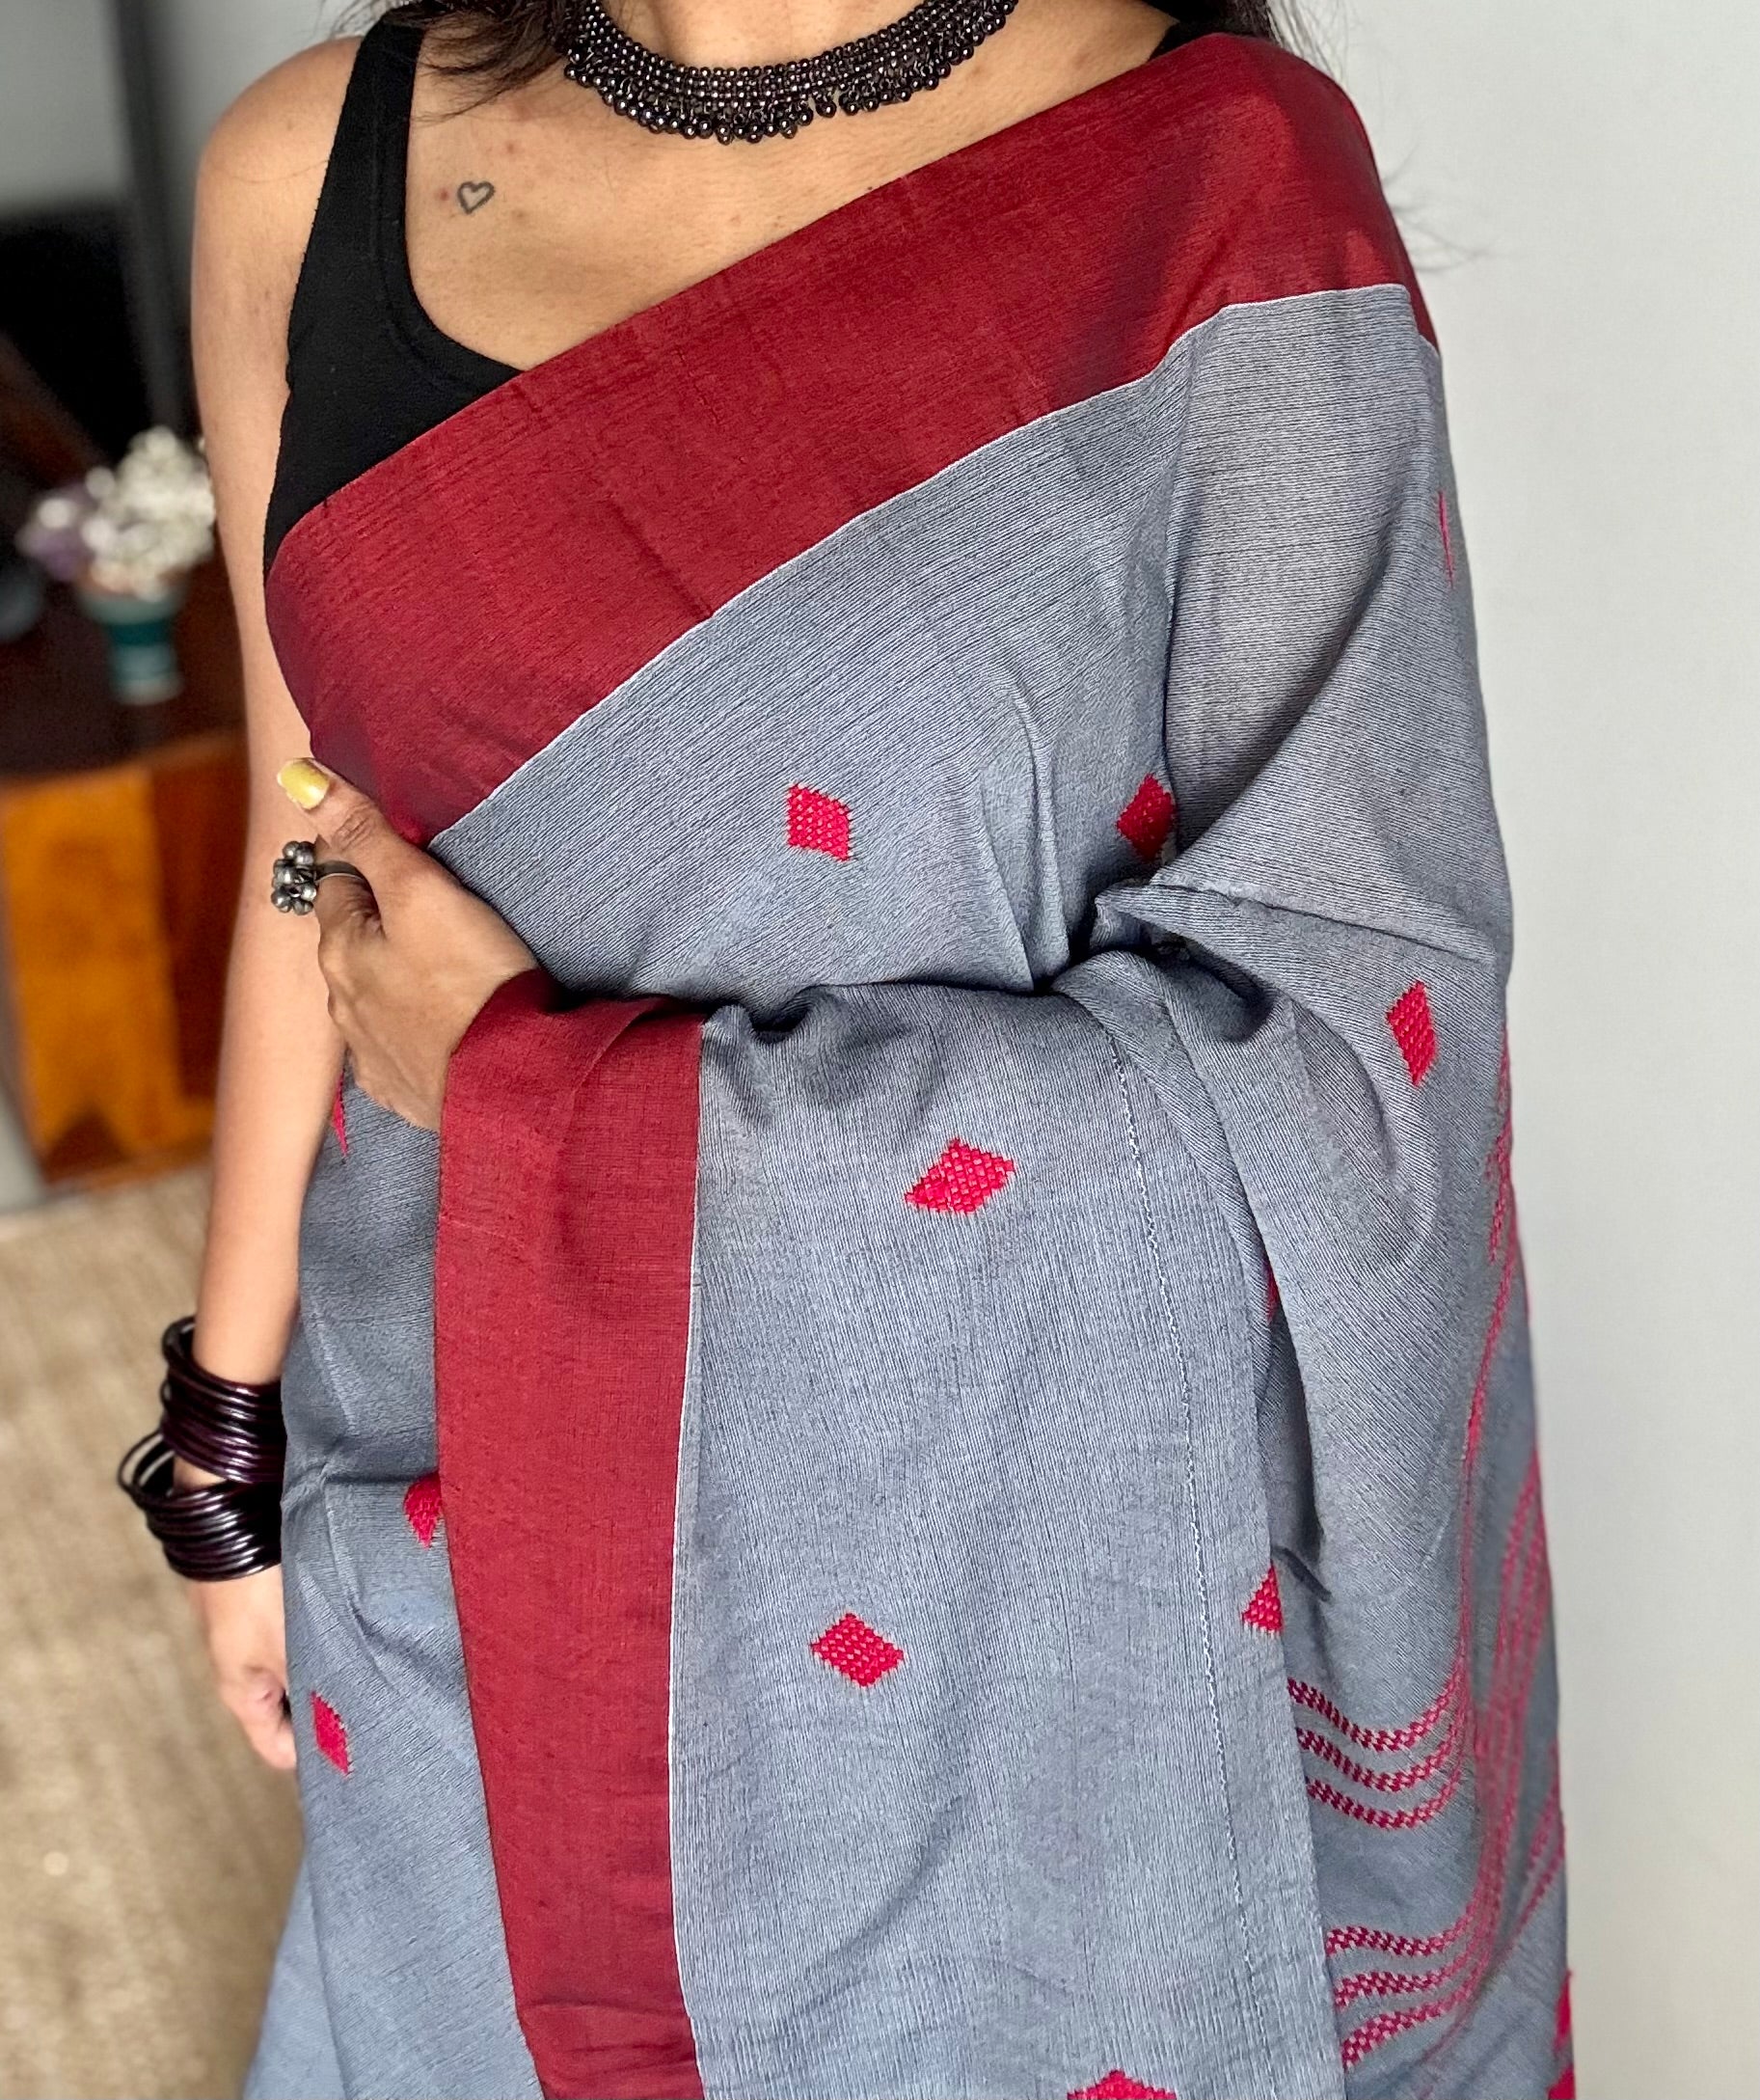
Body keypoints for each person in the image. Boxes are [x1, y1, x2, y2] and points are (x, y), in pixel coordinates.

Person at [129, 0, 1570, 2092]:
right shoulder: (304, 168)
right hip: (473, 1481)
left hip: (1039, 1591)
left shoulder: (1214, 183)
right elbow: (308, 848)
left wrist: (539, 1091)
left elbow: (1354, 1062)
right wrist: (228, 1429)